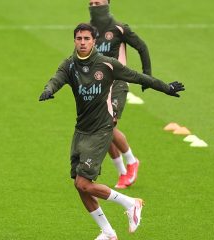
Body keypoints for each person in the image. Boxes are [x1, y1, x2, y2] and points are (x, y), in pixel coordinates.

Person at [39, 23, 184, 240]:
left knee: (83, 183)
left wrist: (166, 88)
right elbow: (56, 79)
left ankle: (131, 203)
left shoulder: (107, 64)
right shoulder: (70, 65)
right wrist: (48, 90)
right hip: (81, 130)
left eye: (86, 38)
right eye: (78, 38)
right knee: (80, 186)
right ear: (74, 40)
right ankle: (108, 232)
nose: (82, 42)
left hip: (101, 129)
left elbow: (137, 76)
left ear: (94, 41)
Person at [89, 0, 151, 189]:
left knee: (107, 123)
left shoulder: (119, 28)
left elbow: (142, 47)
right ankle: (123, 172)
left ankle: (131, 161)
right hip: (97, 87)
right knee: (101, 129)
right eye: (91, 2)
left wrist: (147, 75)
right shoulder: (88, 31)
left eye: (97, 2)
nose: (94, 5)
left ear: (107, 3)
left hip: (117, 84)